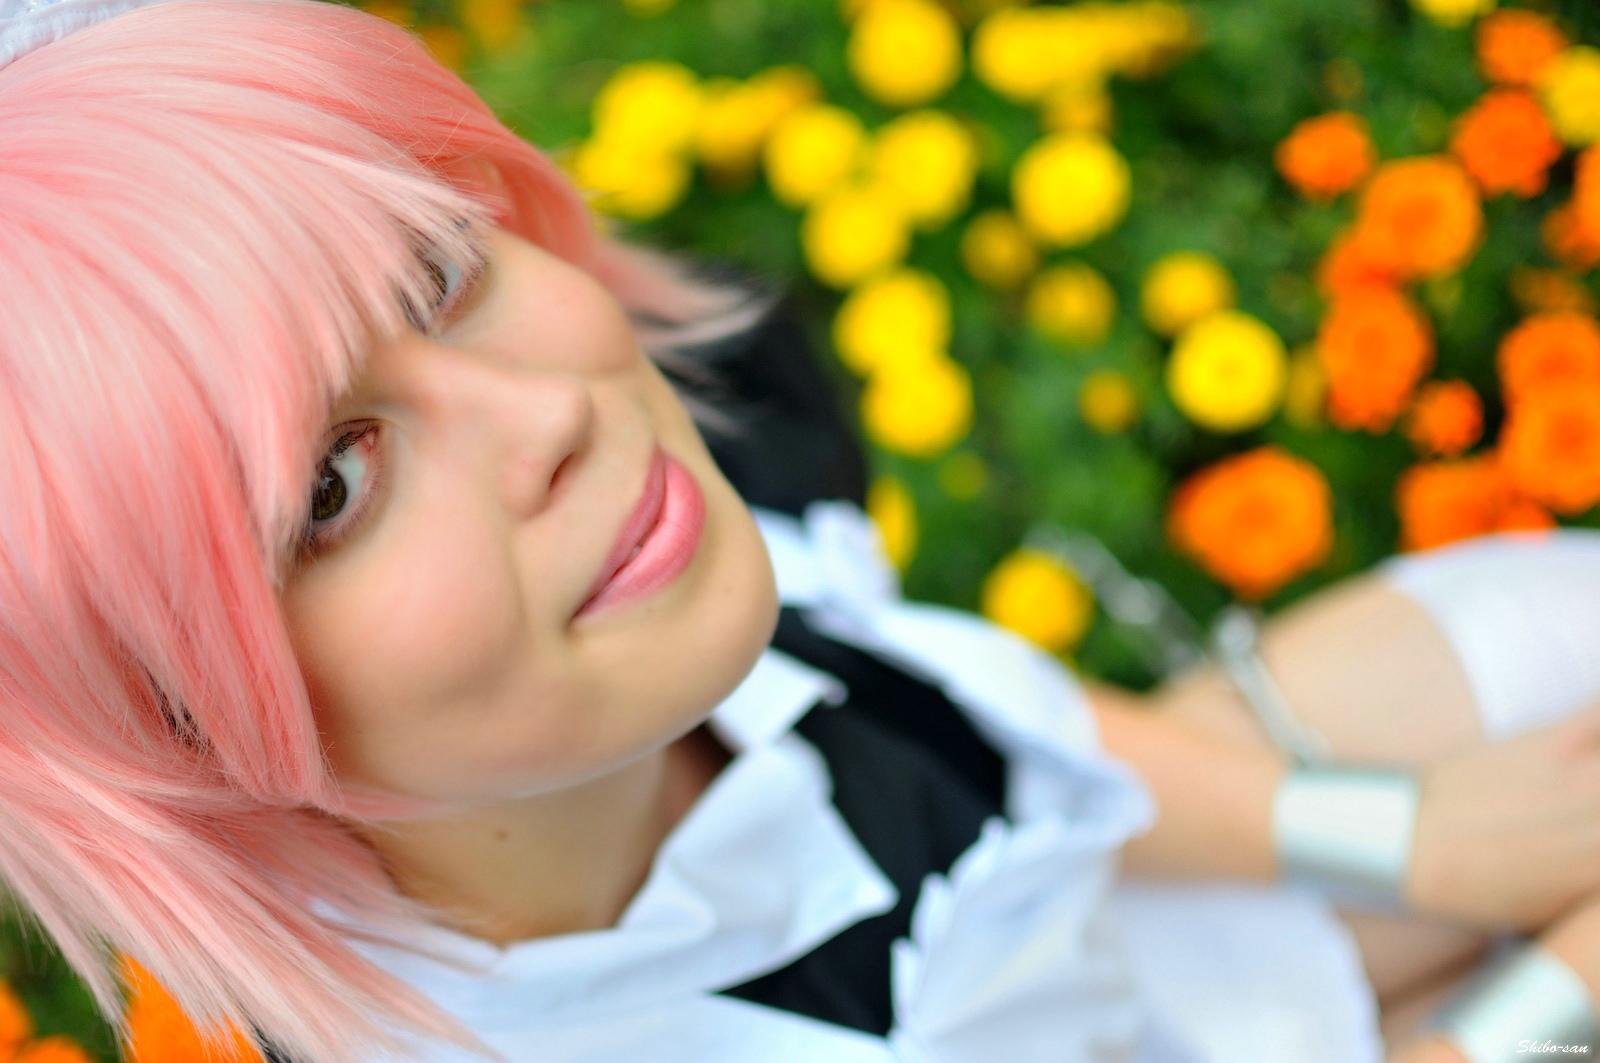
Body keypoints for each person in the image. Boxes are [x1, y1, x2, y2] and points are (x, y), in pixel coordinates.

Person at [1, 1, 1598, 1061]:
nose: (545, 411)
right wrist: (1539, 1016)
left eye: (439, 270)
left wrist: (1406, 839)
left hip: (1129, 938)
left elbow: (949, 710)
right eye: (332, 486)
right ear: (168, 719)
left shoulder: (641, 606)